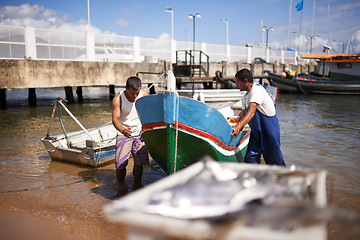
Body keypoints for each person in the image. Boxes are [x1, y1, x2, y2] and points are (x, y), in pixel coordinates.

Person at [231, 69, 286, 166]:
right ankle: (254, 179)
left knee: (274, 161)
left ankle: (284, 179)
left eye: (238, 82)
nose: (236, 84)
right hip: (256, 133)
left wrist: (238, 127)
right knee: (250, 158)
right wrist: (235, 128)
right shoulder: (245, 96)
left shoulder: (257, 90)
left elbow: (251, 112)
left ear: (245, 81)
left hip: (269, 130)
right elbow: (242, 115)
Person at [112, 76, 149, 191]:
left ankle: (137, 185)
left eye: (137, 93)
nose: (135, 96)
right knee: (120, 163)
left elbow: (150, 111)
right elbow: (115, 119)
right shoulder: (118, 99)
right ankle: (121, 186)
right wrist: (122, 130)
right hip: (124, 132)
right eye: (132, 93)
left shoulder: (143, 95)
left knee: (139, 163)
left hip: (139, 132)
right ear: (126, 88)